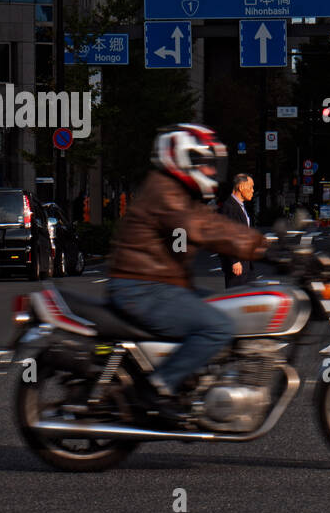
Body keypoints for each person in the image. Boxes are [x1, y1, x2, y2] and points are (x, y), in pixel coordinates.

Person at [108, 124, 270, 427]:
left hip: (158, 284)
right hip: (143, 287)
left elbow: (202, 222)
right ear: (181, 160)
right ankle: (157, 388)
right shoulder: (165, 193)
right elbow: (202, 227)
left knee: (227, 311)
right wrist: (261, 247)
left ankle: (191, 383)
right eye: (203, 163)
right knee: (217, 326)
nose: (209, 170)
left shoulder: (176, 192)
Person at [218, 173, 257, 288]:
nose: (253, 190)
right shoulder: (228, 207)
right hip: (237, 265)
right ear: (241, 187)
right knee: (237, 298)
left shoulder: (240, 206)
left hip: (245, 263)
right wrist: (234, 261)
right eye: (251, 187)